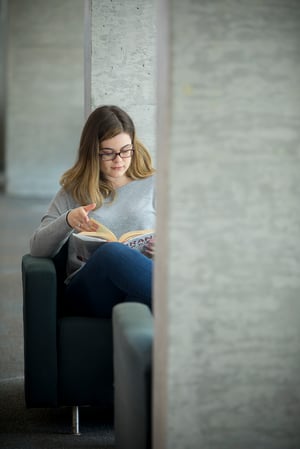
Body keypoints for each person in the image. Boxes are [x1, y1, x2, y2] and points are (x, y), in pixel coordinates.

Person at [30, 105, 155, 318]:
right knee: (112, 253)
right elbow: (37, 249)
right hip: (91, 292)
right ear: (92, 152)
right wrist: (68, 220)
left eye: (126, 151)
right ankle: (181, 298)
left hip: (137, 288)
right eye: (108, 153)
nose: (119, 160)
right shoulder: (73, 190)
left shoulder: (153, 184)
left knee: (140, 303)